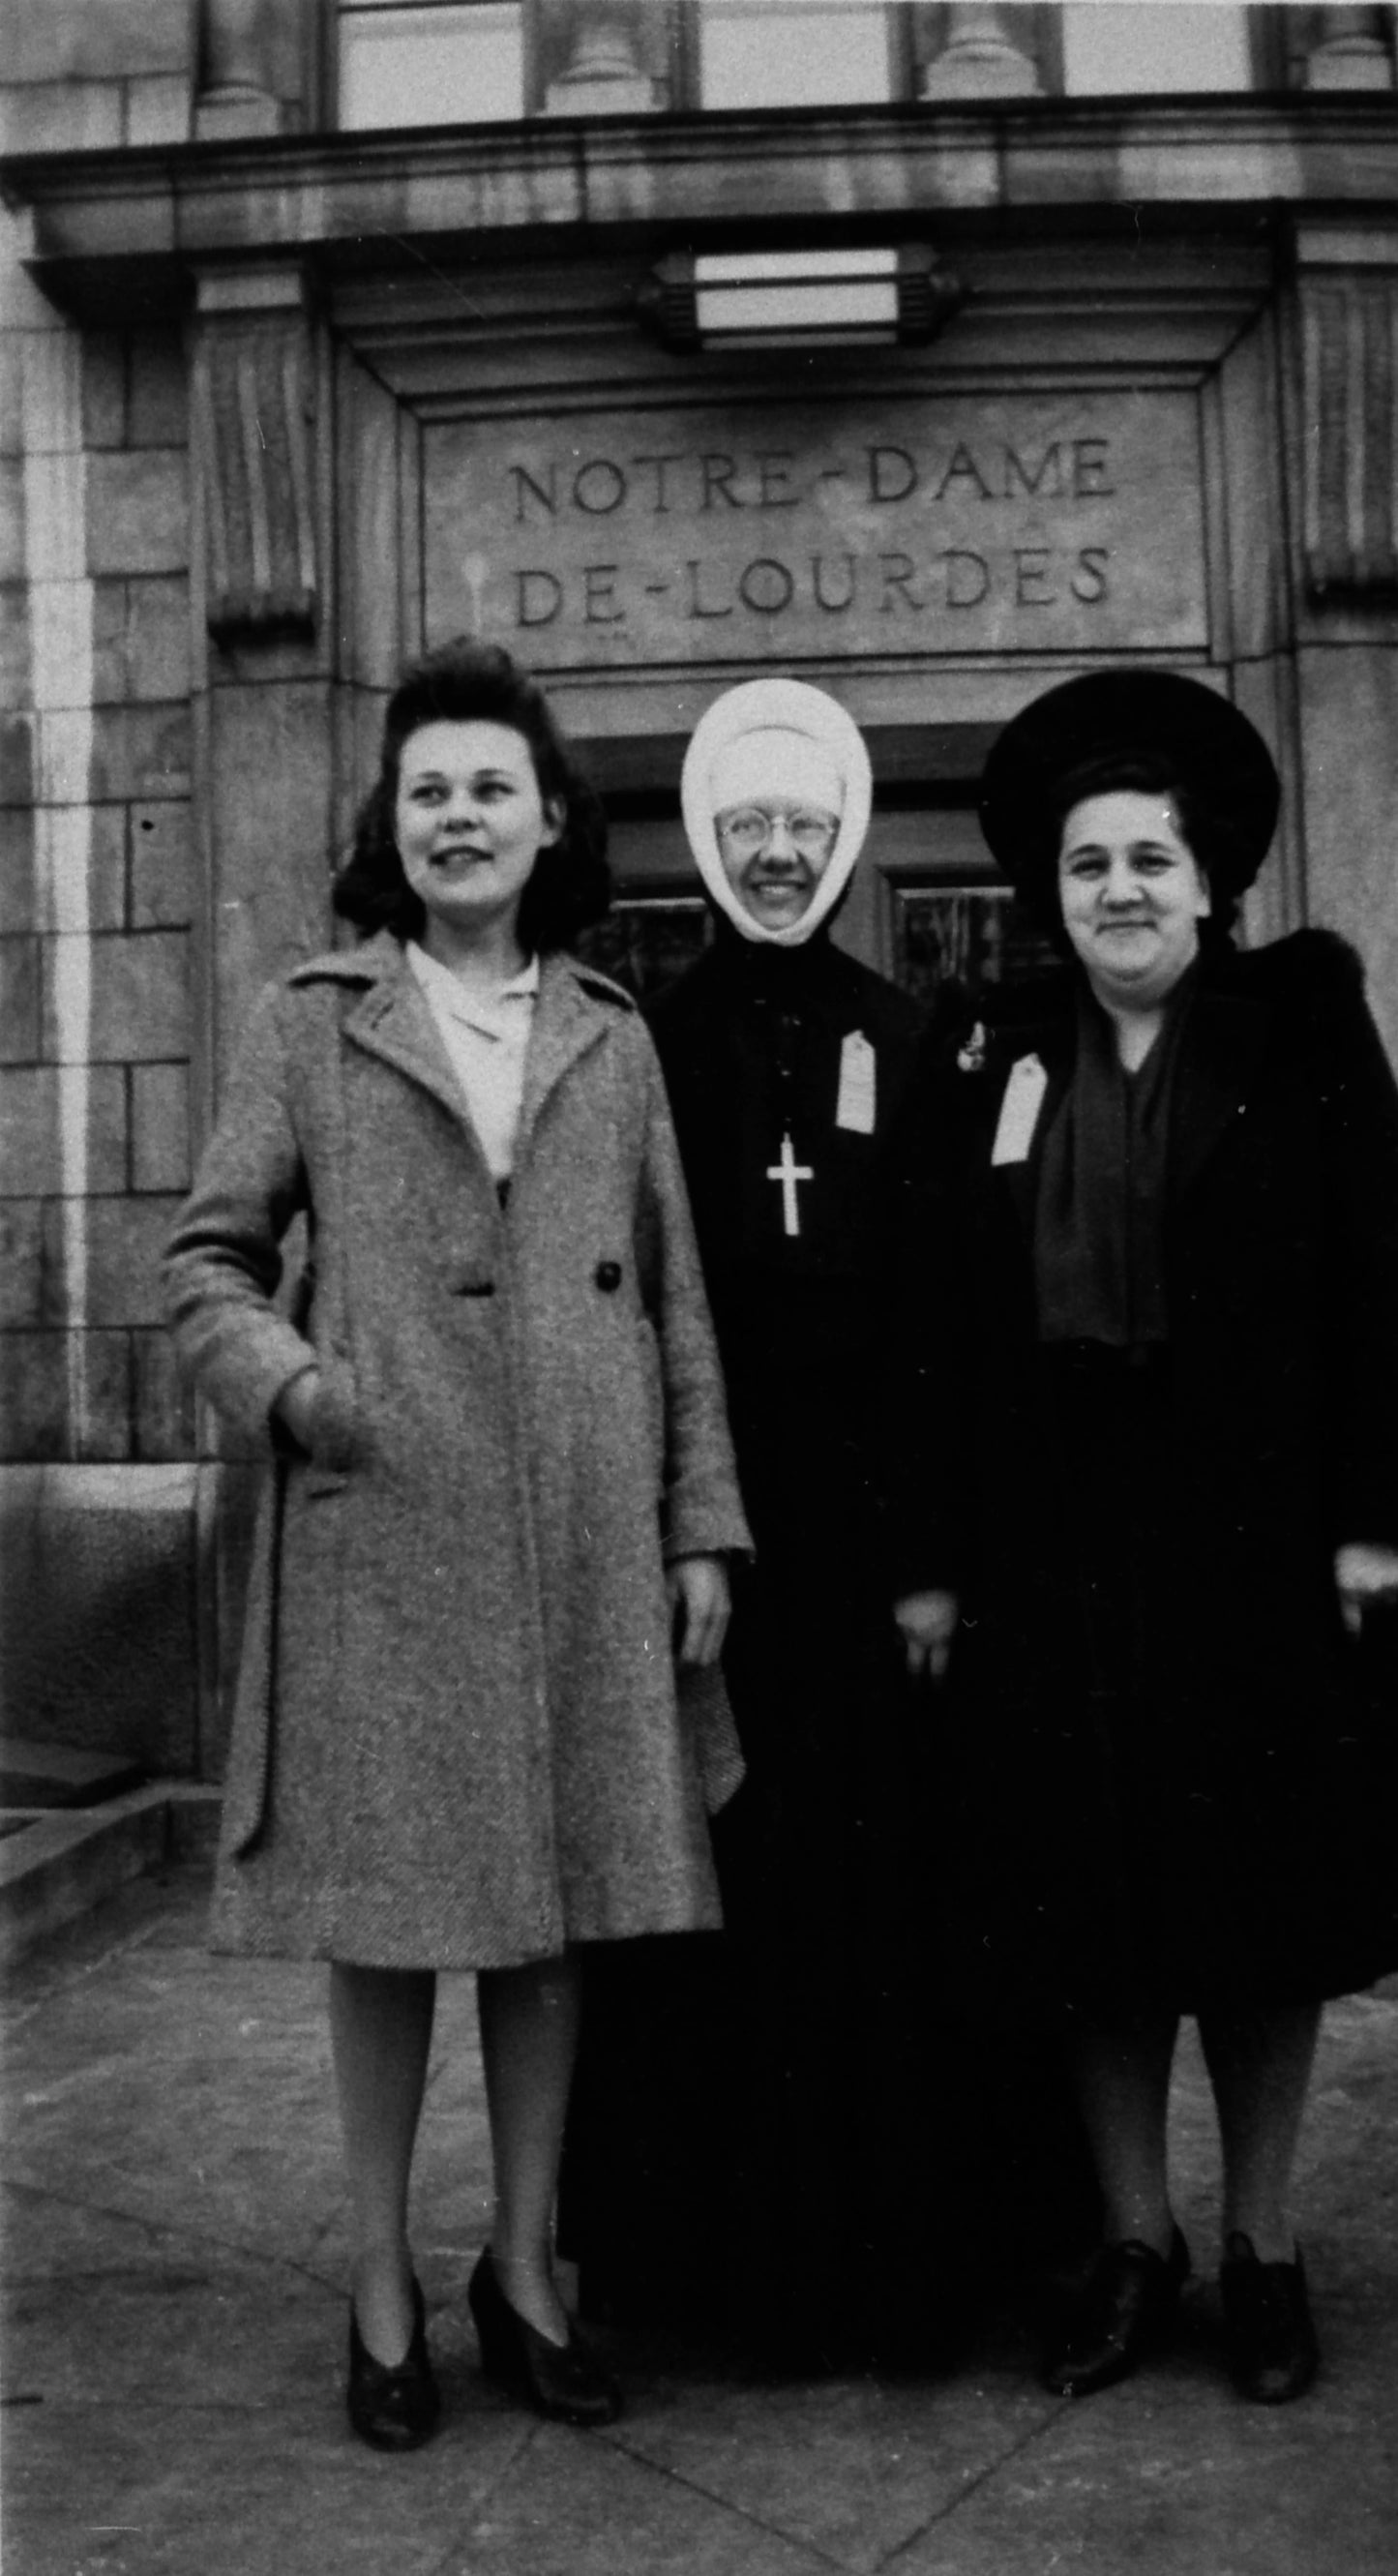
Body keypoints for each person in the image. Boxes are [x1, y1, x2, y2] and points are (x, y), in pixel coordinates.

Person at [164, 640, 751, 2451]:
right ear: (390, 826)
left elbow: (674, 1300)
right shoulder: (310, 1016)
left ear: (552, 819)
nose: (458, 815)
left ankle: (523, 2271)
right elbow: (203, 1263)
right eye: (427, 790)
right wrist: (305, 1394)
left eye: (491, 785)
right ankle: (379, 2288)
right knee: (392, 1927)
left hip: (579, 1536)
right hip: (385, 1532)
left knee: (551, 1916)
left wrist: (698, 1519)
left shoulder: (612, 1030)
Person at [562, 677, 1093, 2366]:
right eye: (746, 831)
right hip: (712, 1544)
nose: (777, 855)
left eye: (802, 829)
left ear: (844, 837)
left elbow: (949, 1313)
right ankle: (711, 2282)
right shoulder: (640, 1041)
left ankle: (903, 2276)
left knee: (886, 1899)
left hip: (871, 1553)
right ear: (706, 846)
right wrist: (660, 1521)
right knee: (710, 1893)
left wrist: (934, 1559)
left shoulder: (912, 1032)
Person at [890, 668, 1398, 2407]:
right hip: (1054, 1545)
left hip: (1250, 1539)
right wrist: (939, 1557)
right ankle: (1134, 2234)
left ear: (1208, 884)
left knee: (1258, 1904)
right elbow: (948, 1325)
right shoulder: (999, 1051)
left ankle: (1258, 2241)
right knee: (1082, 1909)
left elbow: (1376, 1286)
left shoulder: (1302, 1027)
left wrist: (1369, 1524)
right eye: (1087, 864)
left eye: (1147, 862)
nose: (1116, 890)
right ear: (1053, 891)